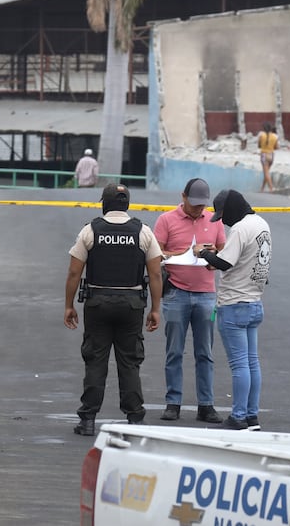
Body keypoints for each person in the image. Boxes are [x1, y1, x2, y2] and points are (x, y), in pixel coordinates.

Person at [64, 183, 163, 436]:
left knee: (95, 360)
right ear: (127, 204)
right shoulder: (143, 232)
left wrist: (68, 305)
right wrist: (155, 309)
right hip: (131, 305)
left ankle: (87, 420)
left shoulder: (90, 230)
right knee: (129, 362)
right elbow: (155, 274)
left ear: (104, 203)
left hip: (97, 304)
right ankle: (135, 419)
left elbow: (75, 272)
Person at [193, 189, 271, 431]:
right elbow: (241, 258)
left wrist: (203, 253)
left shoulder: (239, 228)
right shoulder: (261, 224)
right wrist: (215, 256)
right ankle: (251, 415)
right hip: (255, 303)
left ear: (232, 209)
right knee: (251, 363)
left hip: (234, 304)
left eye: (223, 215)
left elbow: (224, 263)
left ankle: (237, 417)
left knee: (239, 365)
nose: (223, 221)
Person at [154, 178, 227, 424]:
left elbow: (225, 253)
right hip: (176, 292)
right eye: (193, 204)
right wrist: (182, 254)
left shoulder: (214, 221)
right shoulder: (166, 220)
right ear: (183, 196)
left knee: (205, 352)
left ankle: (206, 404)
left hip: (206, 293)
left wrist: (210, 253)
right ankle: (173, 402)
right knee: (174, 350)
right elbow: (155, 253)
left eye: (201, 206)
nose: (198, 210)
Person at [257, 122, 278, 192]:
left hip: (264, 155)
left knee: (266, 173)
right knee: (267, 173)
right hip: (271, 155)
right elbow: (277, 147)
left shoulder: (261, 136)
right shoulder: (275, 136)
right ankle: (262, 188)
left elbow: (259, 146)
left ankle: (271, 188)